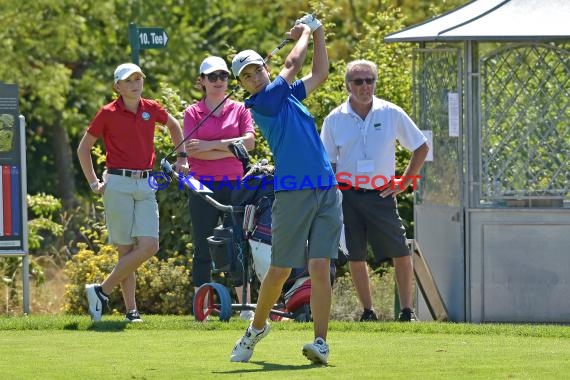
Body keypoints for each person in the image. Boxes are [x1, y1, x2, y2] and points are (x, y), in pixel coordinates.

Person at [229, 14, 342, 365]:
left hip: (326, 188)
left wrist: (319, 33)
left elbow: (320, 74)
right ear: (244, 84)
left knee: (321, 267)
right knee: (280, 269)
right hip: (293, 193)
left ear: (264, 68)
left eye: (256, 69)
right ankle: (257, 328)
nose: (253, 76)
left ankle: (320, 342)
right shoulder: (263, 101)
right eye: (246, 75)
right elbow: (293, 61)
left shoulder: (288, 96)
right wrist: (306, 31)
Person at [77, 63, 188, 323]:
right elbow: (83, 149)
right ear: (118, 86)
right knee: (125, 251)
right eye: (129, 80)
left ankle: (101, 290)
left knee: (150, 246)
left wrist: (182, 157)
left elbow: (174, 126)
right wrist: (94, 183)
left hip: (146, 182)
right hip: (117, 183)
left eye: (138, 79)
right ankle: (131, 311)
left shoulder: (152, 108)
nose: (135, 84)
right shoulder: (107, 113)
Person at [320, 59, 429, 322]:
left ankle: (407, 311)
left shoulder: (390, 112)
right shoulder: (335, 119)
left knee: (401, 252)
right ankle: (368, 312)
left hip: (382, 195)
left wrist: (403, 182)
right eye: (358, 81)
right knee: (355, 255)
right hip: (347, 196)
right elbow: (327, 162)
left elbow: (421, 146)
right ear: (347, 85)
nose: (365, 86)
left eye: (370, 80)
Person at [183, 56, 256, 320]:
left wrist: (209, 145)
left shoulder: (240, 110)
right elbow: (193, 152)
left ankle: (245, 308)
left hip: (235, 185)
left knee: (237, 243)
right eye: (212, 77)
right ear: (201, 81)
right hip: (202, 186)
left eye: (223, 76)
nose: (218, 82)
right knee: (203, 245)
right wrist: (227, 149)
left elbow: (248, 144)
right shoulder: (193, 113)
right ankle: (201, 308)